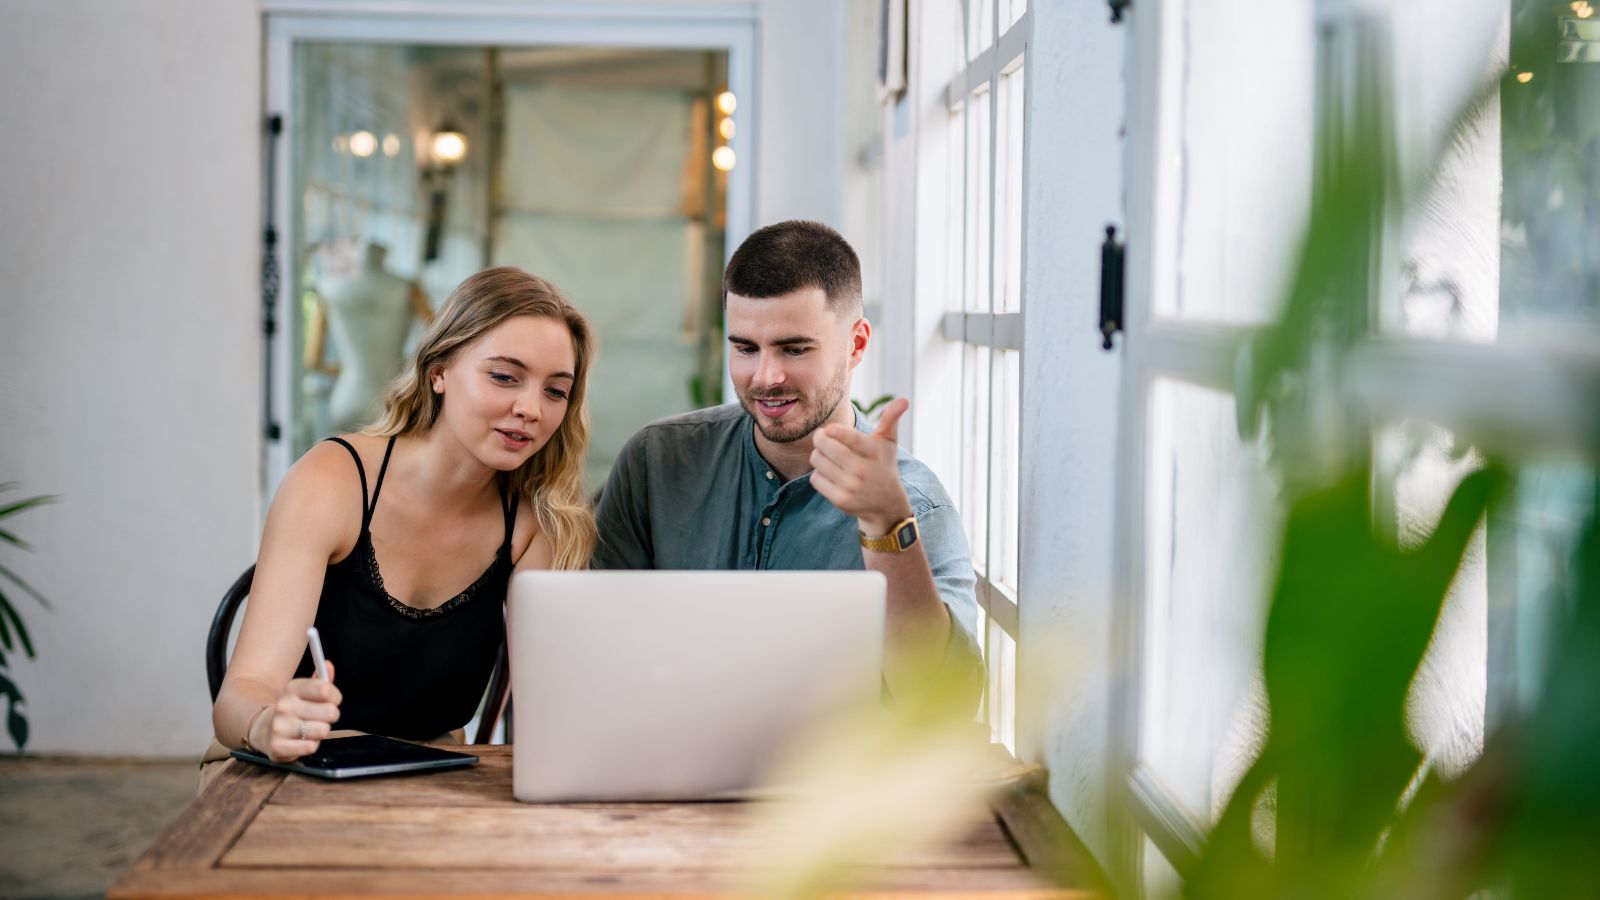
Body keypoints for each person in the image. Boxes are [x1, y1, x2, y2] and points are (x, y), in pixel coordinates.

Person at [211, 267, 596, 763]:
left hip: (429, 776)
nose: (531, 409)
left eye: (555, 391)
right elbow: (238, 698)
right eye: (504, 377)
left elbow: (550, 708)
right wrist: (267, 723)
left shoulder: (533, 523)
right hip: (285, 769)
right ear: (439, 372)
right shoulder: (335, 482)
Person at [592, 220, 982, 700]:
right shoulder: (656, 462)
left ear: (856, 344)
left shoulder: (913, 505)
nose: (766, 377)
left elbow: (945, 704)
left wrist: (887, 527)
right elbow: (599, 650)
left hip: (832, 775)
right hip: (668, 764)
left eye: (794, 349)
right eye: (745, 348)